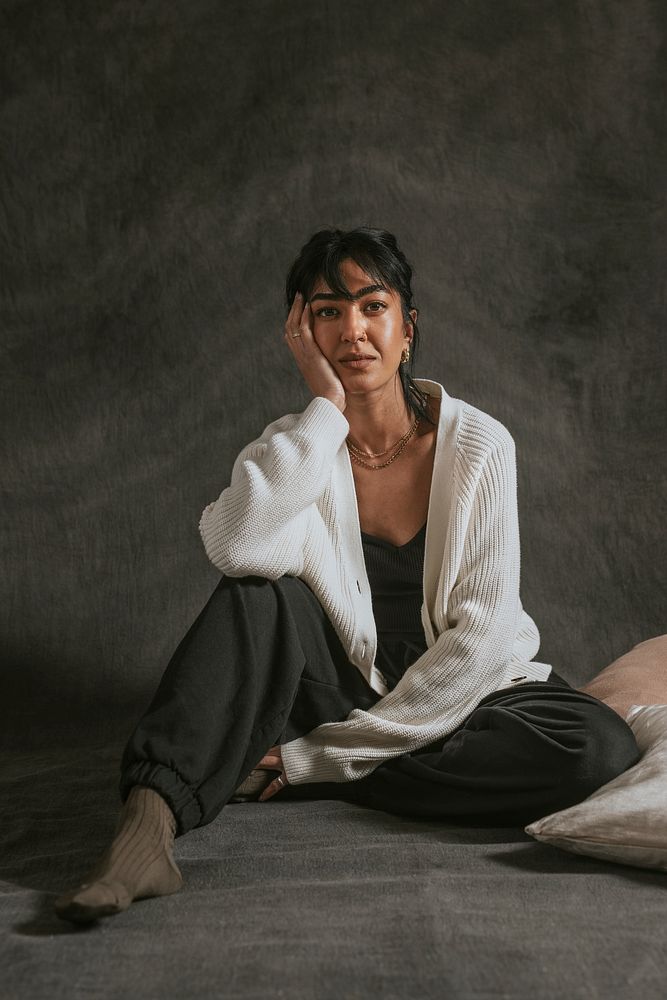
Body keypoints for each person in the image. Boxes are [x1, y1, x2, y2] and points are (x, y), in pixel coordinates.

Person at [55, 226, 640, 923]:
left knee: (594, 748)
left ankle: (294, 771)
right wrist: (325, 411)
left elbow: (481, 638)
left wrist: (317, 759)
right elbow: (236, 547)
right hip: (335, 687)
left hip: (469, 692)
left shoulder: (479, 443)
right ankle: (144, 830)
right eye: (327, 311)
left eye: (371, 306)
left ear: (406, 327)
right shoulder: (293, 443)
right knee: (255, 594)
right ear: (301, 332)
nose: (353, 330)